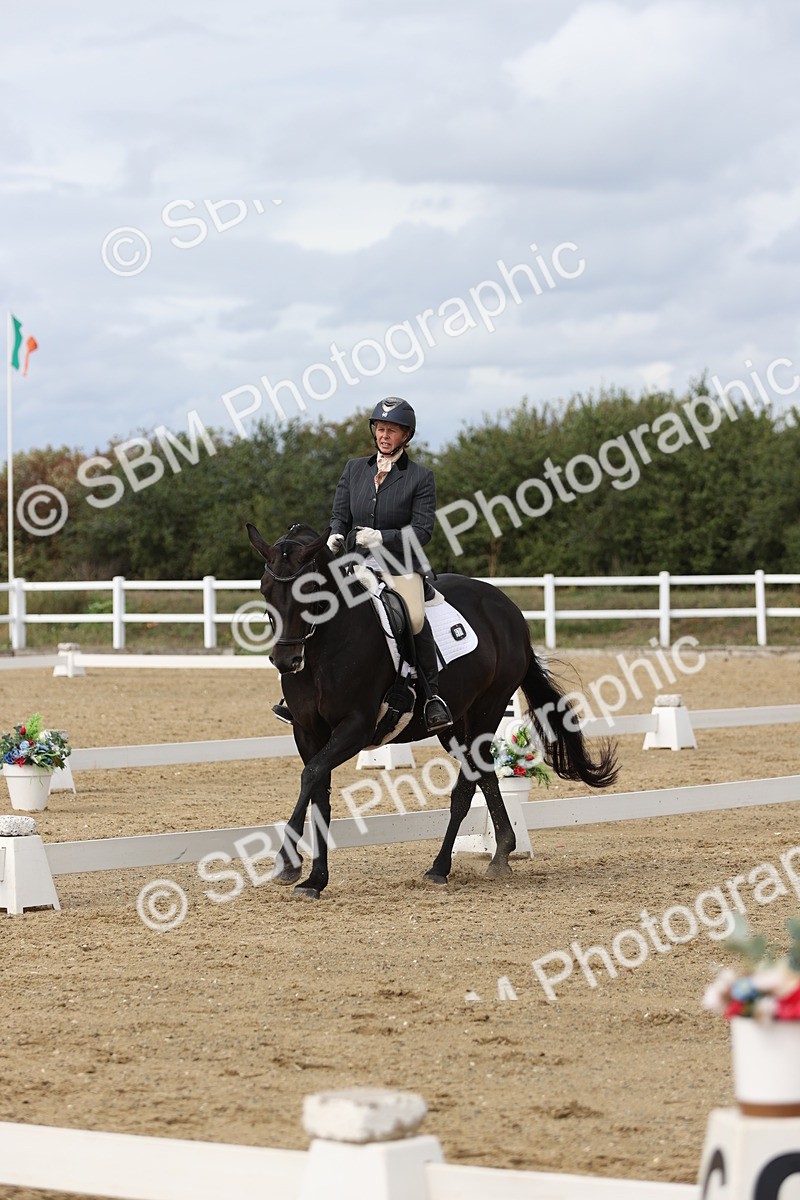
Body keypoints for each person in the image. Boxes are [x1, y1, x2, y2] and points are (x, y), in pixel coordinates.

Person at [272, 397, 454, 733]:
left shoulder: (420, 477)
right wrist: (335, 535)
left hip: (399, 565)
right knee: (315, 606)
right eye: (380, 429)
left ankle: (432, 697)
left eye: (392, 430)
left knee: (414, 617)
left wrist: (382, 537)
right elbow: (340, 515)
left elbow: (423, 530)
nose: (384, 435)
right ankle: (297, 694)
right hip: (354, 562)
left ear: (406, 436)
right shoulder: (355, 469)